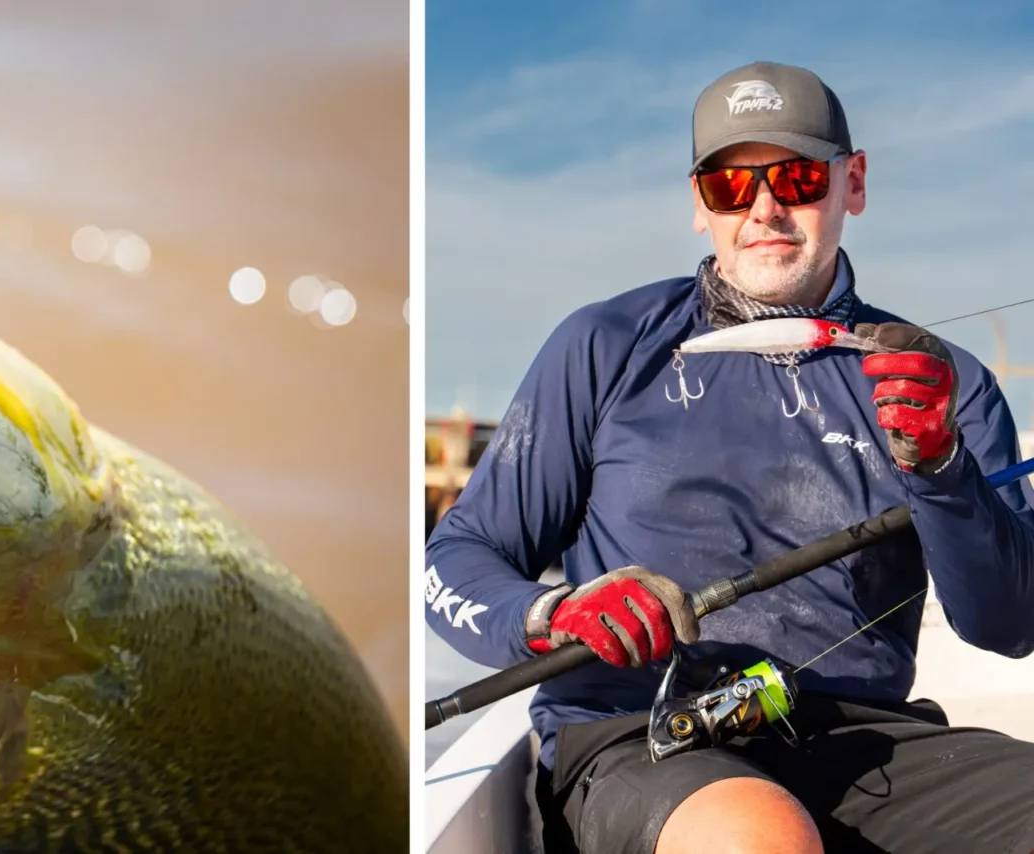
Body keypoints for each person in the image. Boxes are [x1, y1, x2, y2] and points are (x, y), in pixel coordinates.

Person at [425, 61, 1034, 854]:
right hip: (641, 737)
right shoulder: (604, 344)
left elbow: (1009, 625)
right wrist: (550, 614)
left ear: (853, 183)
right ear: (698, 203)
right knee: (760, 838)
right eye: (730, 186)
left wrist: (941, 467)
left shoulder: (945, 382)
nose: (766, 208)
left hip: (871, 744)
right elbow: (455, 558)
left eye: (797, 176)